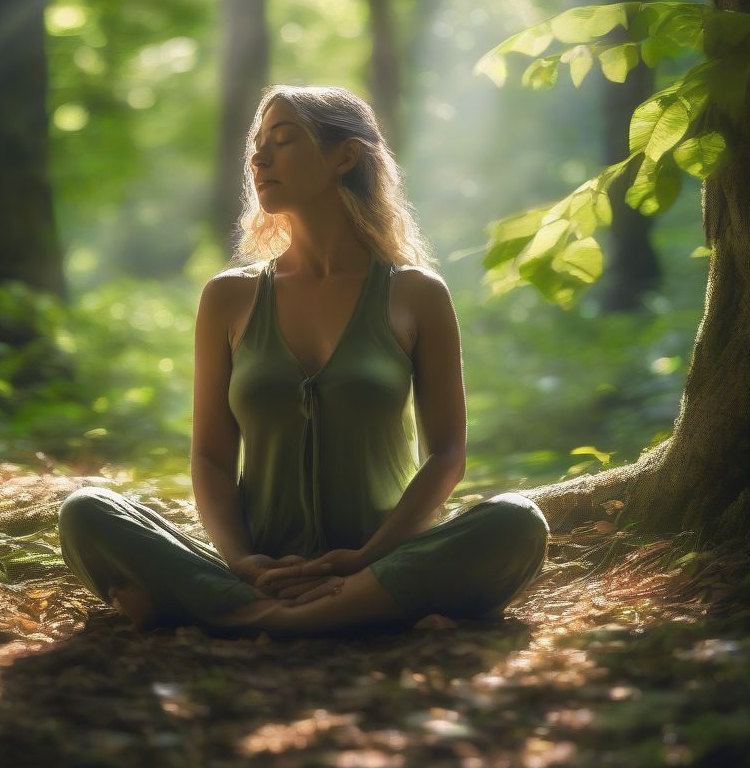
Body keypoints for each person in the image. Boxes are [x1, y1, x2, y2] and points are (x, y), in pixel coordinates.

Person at [57, 85, 550, 637]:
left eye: (284, 140)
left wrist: (366, 558)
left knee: (516, 522)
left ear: (345, 156)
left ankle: (247, 615)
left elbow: (448, 455)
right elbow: (212, 459)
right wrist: (244, 562)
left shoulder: (415, 294)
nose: (259, 158)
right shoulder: (229, 297)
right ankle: (307, 610)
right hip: (260, 568)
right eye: (256, 146)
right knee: (88, 512)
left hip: (381, 560)